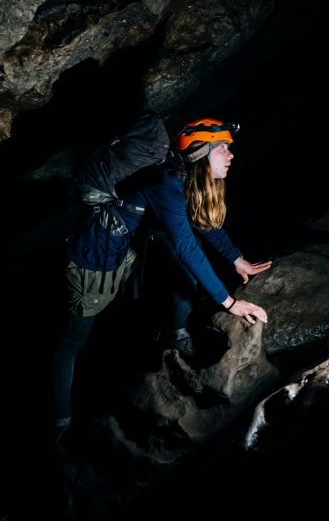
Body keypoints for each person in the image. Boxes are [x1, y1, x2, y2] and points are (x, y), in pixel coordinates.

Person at [51, 116, 271, 449]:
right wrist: (229, 302)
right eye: (223, 148)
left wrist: (236, 258)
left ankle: (175, 333)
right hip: (93, 261)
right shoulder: (165, 183)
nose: (231, 154)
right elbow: (187, 245)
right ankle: (61, 423)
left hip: (127, 250)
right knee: (69, 347)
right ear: (200, 153)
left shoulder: (182, 174)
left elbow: (201, 221)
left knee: (183, 267)